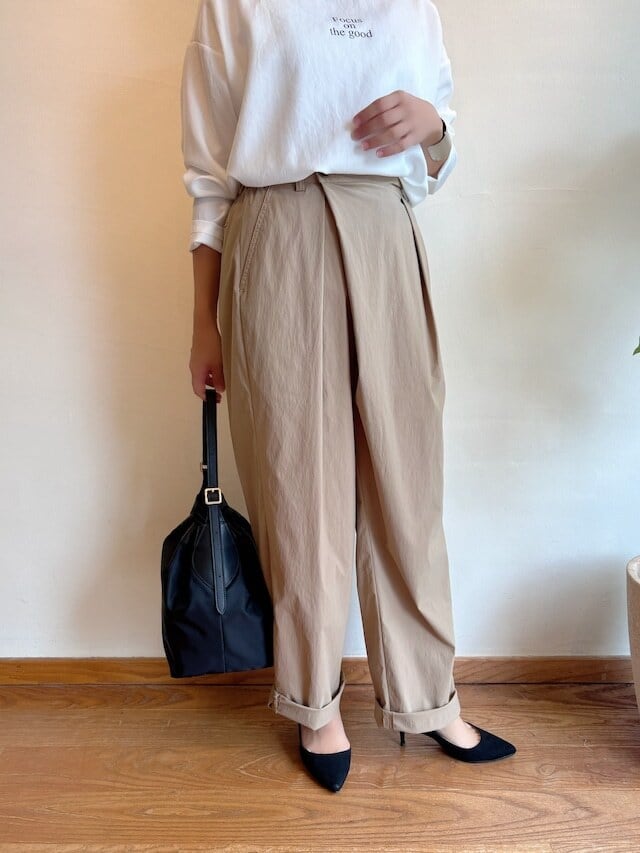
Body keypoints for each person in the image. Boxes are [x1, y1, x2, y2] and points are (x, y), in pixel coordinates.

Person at [179, 0, 516, 793]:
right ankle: (314, 702)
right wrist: (202, 320)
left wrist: (434, 126)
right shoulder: (233, 5)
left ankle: (429, 698)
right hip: (276, 228)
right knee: (299, 487)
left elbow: (436, 158)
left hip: (385, 230)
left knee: (408, 478)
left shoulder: (411, 6)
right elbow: (208, 173)